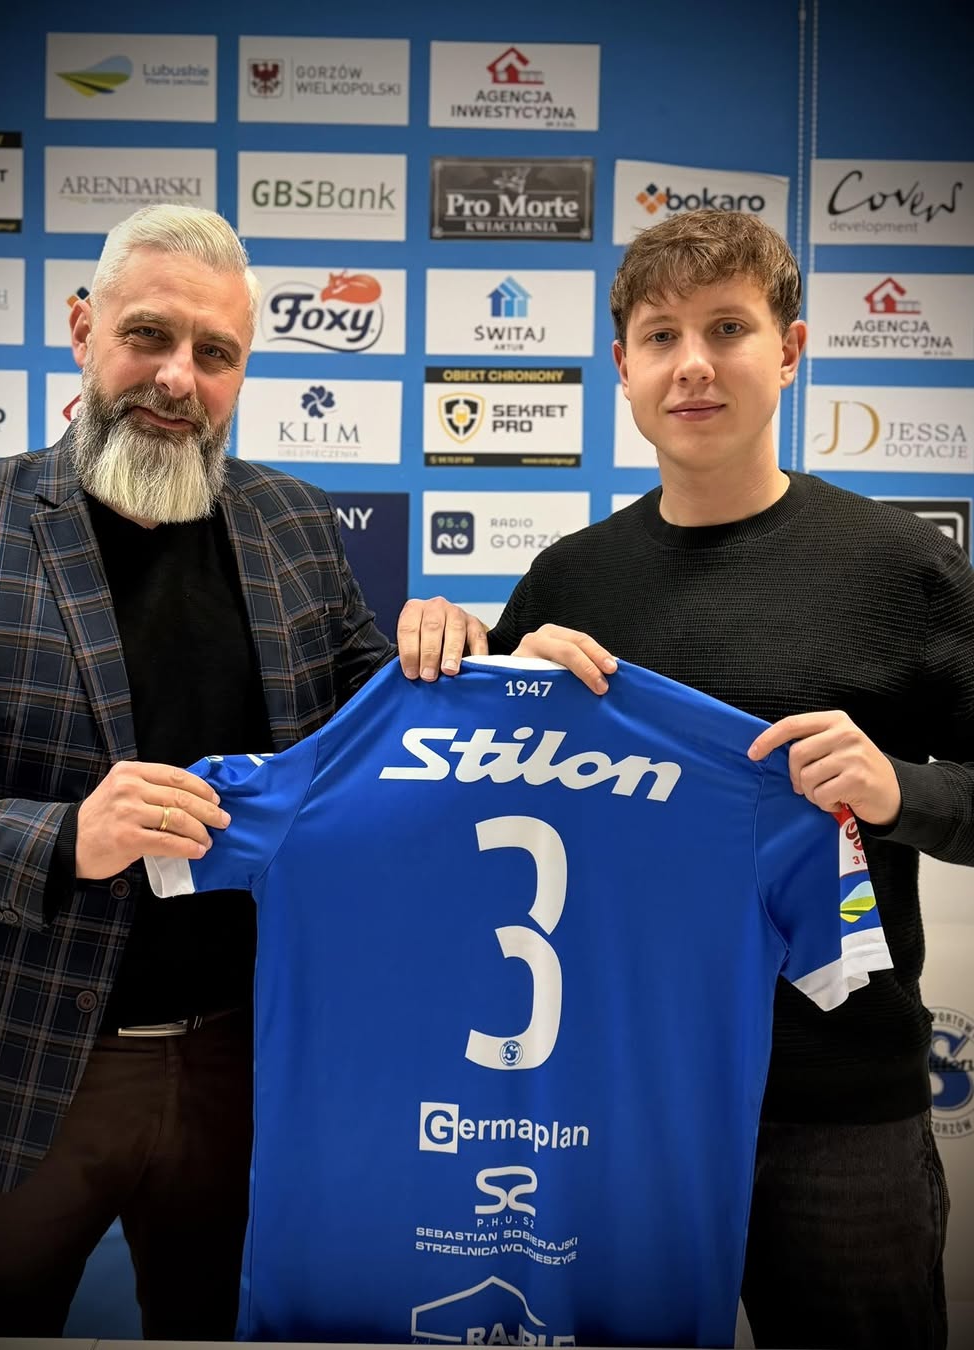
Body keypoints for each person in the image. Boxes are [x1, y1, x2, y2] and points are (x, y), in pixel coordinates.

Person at [396, 209, 974, 1350]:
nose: (693, 364)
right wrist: (470, 673)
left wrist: (901, 792)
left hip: (838, 1111)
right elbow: (468, 820)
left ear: (790, 350)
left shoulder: (905, 567)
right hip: (615, 1102)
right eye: (662, 336)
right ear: (623, 366)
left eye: (728, 328)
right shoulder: (568, 582)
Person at [0, 204, 394, 1336]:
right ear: (83, 328)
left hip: (247, 1068)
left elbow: (396, 742)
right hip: (3, 1072)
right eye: (149, 336)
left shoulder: (298, 525)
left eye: (216, 353)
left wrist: (499, 664)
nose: (178, 378)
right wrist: (65, 838)